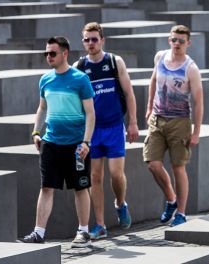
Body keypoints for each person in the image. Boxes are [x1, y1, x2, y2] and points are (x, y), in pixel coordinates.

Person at [21, 36, 95, 247]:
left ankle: (83, 232)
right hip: (51, 142)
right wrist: (37, 132)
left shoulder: (80, 79)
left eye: (52, 53)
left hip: (76, 145)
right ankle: (38, 233)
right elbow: (42, 108)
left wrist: (86, 142)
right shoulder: (45, 79)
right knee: (46, 187)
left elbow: (90, 113)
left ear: (65, 54)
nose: (48, 57)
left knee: (80, 188)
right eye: (46, 53)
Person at [73, 22, 139, 240]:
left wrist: (133, 122)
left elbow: (129, 93)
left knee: (116, 174)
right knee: (95, 176)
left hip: (113, 126)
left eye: (94, 39)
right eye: (86, 39)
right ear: (82, 42)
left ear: (102, 40)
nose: (90, 43)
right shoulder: (79, 67)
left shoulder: (114, 61)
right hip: (92, 130)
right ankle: (100, 224)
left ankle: (121, 203)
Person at [143, 25, 203, 226]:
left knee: (178, 168)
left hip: (180, 122)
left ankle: (181, 213)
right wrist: (149, 107)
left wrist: (196, 132)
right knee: (153, 163)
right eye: (173, 40)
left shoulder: (191, 68)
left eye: (181, 41)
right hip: (158, 119)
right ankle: (171, 198)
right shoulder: (160, 57)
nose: (176, 44)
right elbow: (153, 81)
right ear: (169, 40)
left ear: (188, 43)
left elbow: (198, 102)